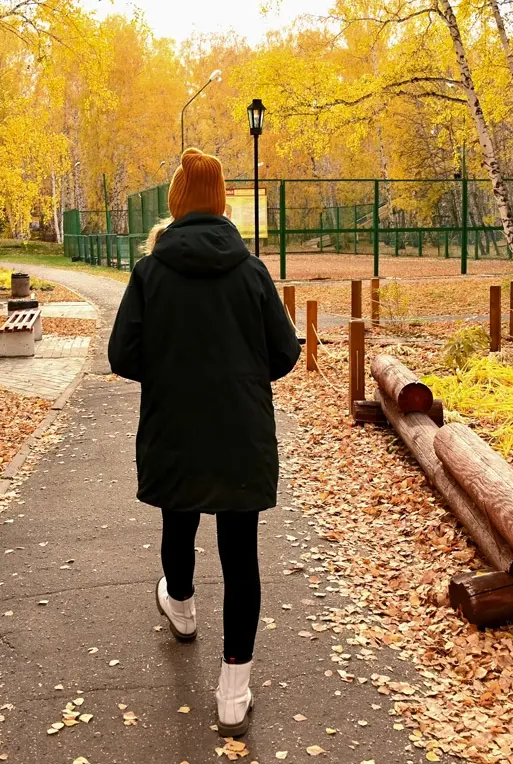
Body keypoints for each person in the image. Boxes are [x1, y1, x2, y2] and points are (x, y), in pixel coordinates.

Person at [108, 148, 301, 738]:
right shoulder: (252, 272)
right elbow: (285, 352)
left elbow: (122, 355)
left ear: (176, 204)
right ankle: (233, 695)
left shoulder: (150, 273)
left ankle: (183, 608)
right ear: (220, 205)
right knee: (241, 558)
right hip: (241, 432)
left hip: (175, 429)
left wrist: (172, 372)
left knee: (178, 522)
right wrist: (241, 375)